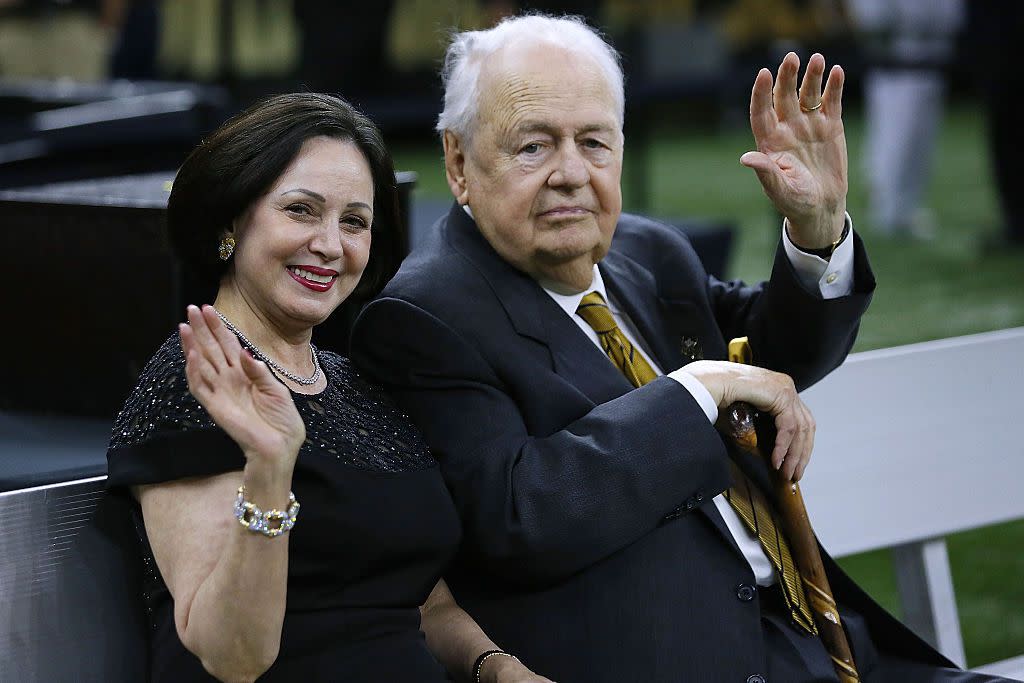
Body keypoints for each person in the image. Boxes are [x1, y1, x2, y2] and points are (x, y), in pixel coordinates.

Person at [350, 14, 1012, 683]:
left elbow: (780, 356)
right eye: (533, 147)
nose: (572, 173)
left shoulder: (647, 251)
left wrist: (817, 232)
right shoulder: (422, 317)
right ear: (459, 162)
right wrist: (697, 391)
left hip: (828, 644)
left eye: (595, 142)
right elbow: (521, 516)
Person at [105, 93, 551, 683]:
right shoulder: (194, 386)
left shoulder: (354, 383)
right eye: (301, 210)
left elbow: (421, 598)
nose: (330, 245)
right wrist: (269, 466)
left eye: (354, 222)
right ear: (233, 219)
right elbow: (232, 654)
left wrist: (494, 667)